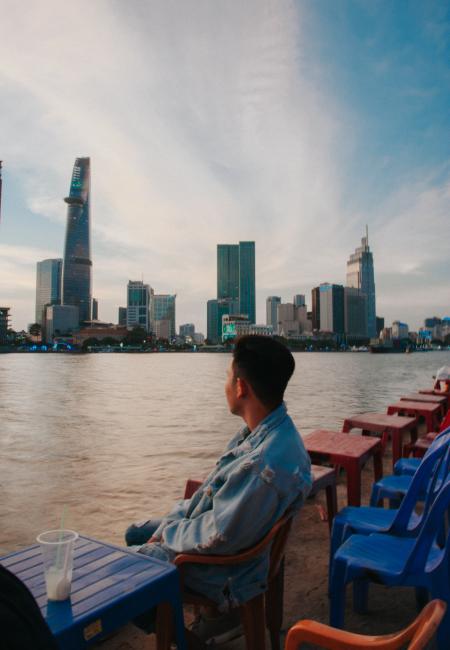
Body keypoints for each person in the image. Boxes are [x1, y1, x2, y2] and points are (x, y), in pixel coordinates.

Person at [125, 335, 312, 644]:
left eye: (227, 376)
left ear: (241, 387)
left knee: (121, 576)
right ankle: (214, 622)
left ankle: (192, 643)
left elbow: (219, 533)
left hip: (229, 570)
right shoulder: (273, 431)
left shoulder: (262, 466)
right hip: (234, 543)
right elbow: (216, 504)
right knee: (135, 533)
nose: (224, 384)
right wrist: (174, 521)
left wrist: (168, 534)